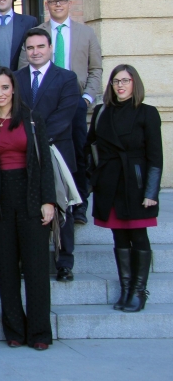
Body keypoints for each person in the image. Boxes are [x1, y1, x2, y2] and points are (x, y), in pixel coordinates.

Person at [0, 67, 55, 350]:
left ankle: (39, 333)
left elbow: (45, 162)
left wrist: (48, 201)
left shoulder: (32, 119)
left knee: (36, 268)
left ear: (14, 89)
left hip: (31, 197)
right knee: (7, 269)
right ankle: (14, 330)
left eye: (5, 87)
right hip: (0, 200)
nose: (0, 93)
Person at [22, 0, 103, 225]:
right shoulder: (37, 34)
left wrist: (86, 98)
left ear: (69, 3)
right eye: (53, 2)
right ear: (46, 5)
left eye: (62, 1)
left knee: (76, 152)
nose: (58, 5)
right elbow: (24, 65)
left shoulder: (85, 33)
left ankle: (78, 203)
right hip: (43, 104)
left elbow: (95, 68)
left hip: (75, 103)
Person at [88, 65, 162, 313]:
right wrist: (94, 178)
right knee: (119, 236)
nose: (120, 85)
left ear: (134, 83)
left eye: (125, 80)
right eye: (115, 81)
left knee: (138, 236)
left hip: (137, 185)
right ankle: (126, 288)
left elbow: (155, 157)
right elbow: (91, 148)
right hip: (110, 183)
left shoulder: (147, 113)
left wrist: (151, 192)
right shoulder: (101, 112)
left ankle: (139, 291)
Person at [14, 28, 80, 281]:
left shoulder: (66, 78)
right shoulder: (16, 78)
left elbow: (64, 117)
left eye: (40, 46)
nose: (36, 52)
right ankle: (26, 260)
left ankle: (64, 262)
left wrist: (36, 141)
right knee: (27, 208)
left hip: (55, 152)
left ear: (50, 48)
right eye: (30, 48)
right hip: (23, 154)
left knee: (62, 208)